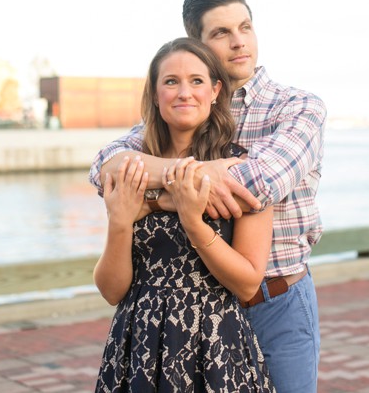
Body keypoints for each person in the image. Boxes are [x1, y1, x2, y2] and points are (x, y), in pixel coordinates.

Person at [90, 0, 325, 393]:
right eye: (220, 33)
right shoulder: (185, 106)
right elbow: (105, 168)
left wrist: (154, 196)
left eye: (245, 27)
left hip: (275, 300)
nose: (238, 42)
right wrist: (188, 182)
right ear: (196, 45)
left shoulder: (297, 107)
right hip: (175, 323)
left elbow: (258, 184)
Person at [94, 37, 276, 392]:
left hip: (215, 342)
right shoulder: (133, 170)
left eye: (196, 81)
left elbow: (248, 283)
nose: (184, 92)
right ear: (155, 92)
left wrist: (193, 222)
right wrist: (120, 222)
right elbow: (112, 290)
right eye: (171, 81)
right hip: (140, 341)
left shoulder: (241, 171)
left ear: (215, 90)